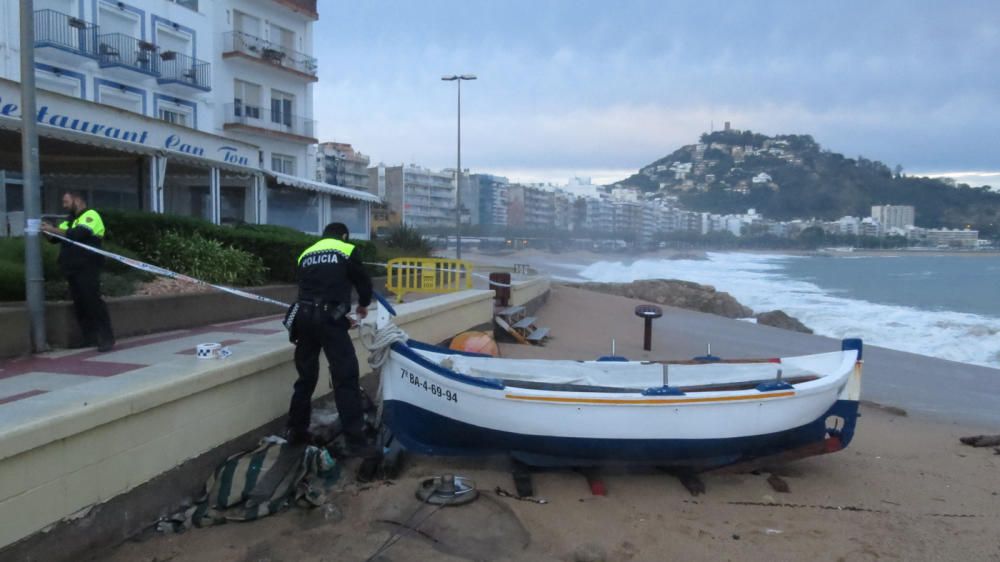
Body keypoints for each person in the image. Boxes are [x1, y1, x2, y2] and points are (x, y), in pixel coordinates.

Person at [286, 222, 374, 455]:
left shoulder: (306, 253)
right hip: (329, 319)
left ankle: (296, 431)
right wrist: (363, 305)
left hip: (303, 318)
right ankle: (356, 441)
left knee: (305, 378)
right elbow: (363, 283)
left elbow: (310, 288)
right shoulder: (346, 250)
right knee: (345, 377)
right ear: (344, 235)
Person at [41, 191, 115, 352]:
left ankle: (106, 338)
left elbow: (78, 234)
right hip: (72, 268)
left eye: (66, 201)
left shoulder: (91, 215)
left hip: (88, 266)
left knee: (93, 301)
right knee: (80, 303)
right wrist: (46, 231)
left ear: (78, 200)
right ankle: (89, 337)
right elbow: (56, 239)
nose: (64, 205)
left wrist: (52, 229)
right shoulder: (69, 220)